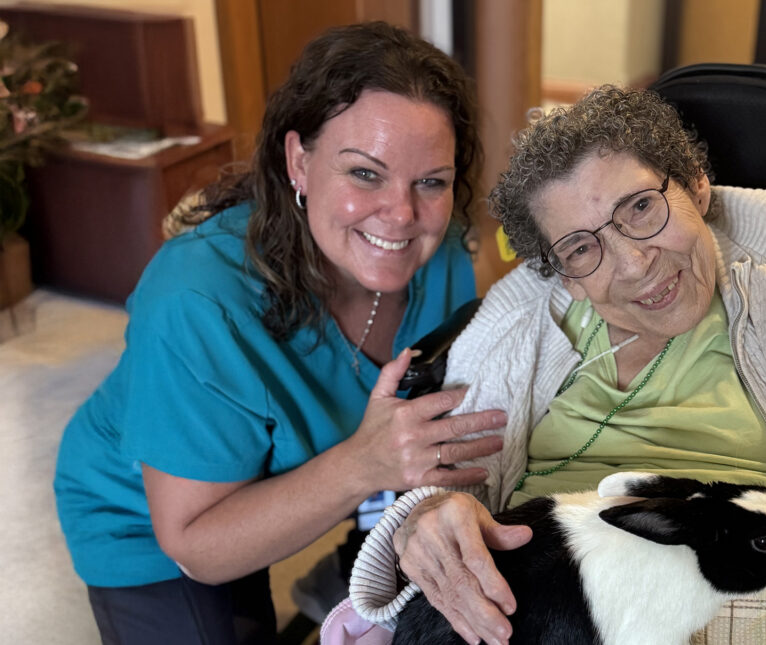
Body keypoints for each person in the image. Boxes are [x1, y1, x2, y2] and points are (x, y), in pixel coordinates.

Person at [338, 86, 766, 644]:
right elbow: (451, 492)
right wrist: (425, 519)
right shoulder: (521, 332)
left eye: (641, 208)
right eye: (583, 248)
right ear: (561, 275)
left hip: (740, 605)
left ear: (696, 183)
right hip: (536, 606)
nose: (636, 265)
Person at [52, 22, 507, 645]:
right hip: (157, 522)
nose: (402, 214)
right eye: (366, 174)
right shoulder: (196, 300)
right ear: (299, 160)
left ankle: (343, 571)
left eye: (431, 181)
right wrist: (364, 465)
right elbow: (197, 547)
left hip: (327, 472)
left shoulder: (446, 251)